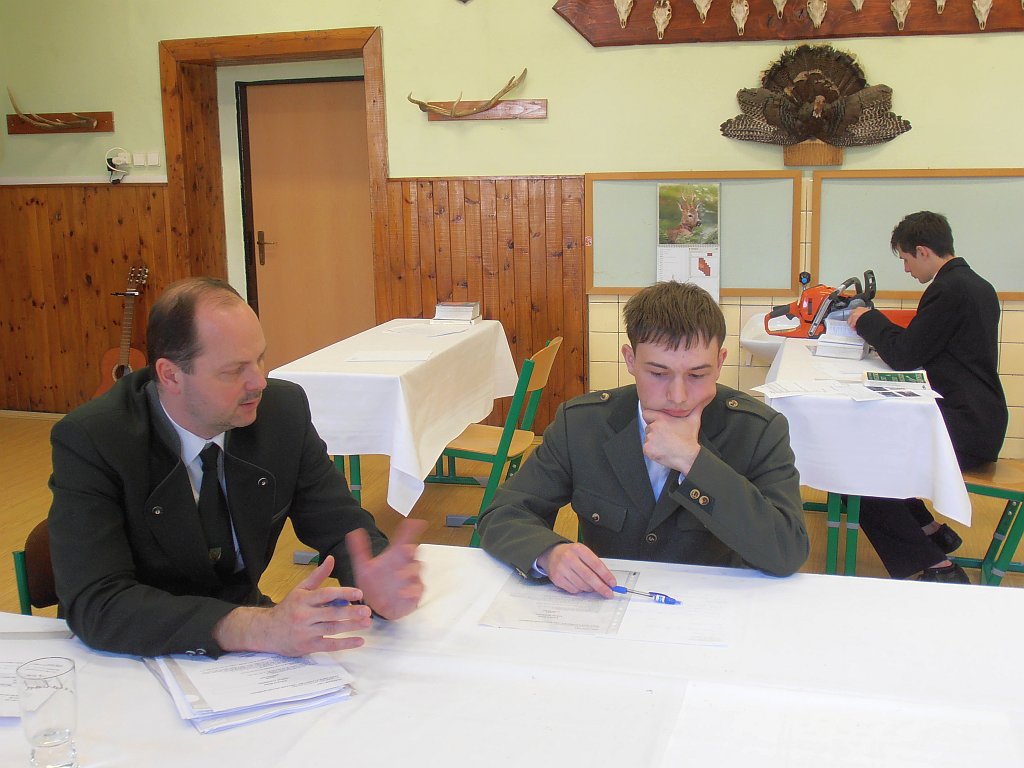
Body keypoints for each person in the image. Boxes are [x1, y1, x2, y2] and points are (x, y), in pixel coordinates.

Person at [49, 277, 425, 658]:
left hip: (247, 649)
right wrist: (253, 626)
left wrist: (376, 579)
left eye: (260, 358)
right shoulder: (95, 439)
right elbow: (98, 603)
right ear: (170, 375)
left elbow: (340, 526)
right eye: (233, 370)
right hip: (136, 654)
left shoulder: (281, 412)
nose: (259, 382)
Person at [477, 281, 809, 596]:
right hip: (610, 602)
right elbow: (502, 514)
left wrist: (693, 461)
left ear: (720, 363)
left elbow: (787, 550)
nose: (678, 396)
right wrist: (549, 553)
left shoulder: (757, 430)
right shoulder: (582, 424)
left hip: (710, 608)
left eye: (697, 374)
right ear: (630, 360)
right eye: (658, 373)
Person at [848, 211, 1008, 583]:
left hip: (965, 428)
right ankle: (930, 531)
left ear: (922, 251)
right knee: (875, 451)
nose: (906, 269)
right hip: (980, 418)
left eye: (906, 259)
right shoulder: (977, 285)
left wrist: (866, 319)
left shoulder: (949, 290)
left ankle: (939, 568)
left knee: (857, 469)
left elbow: (905, 354)